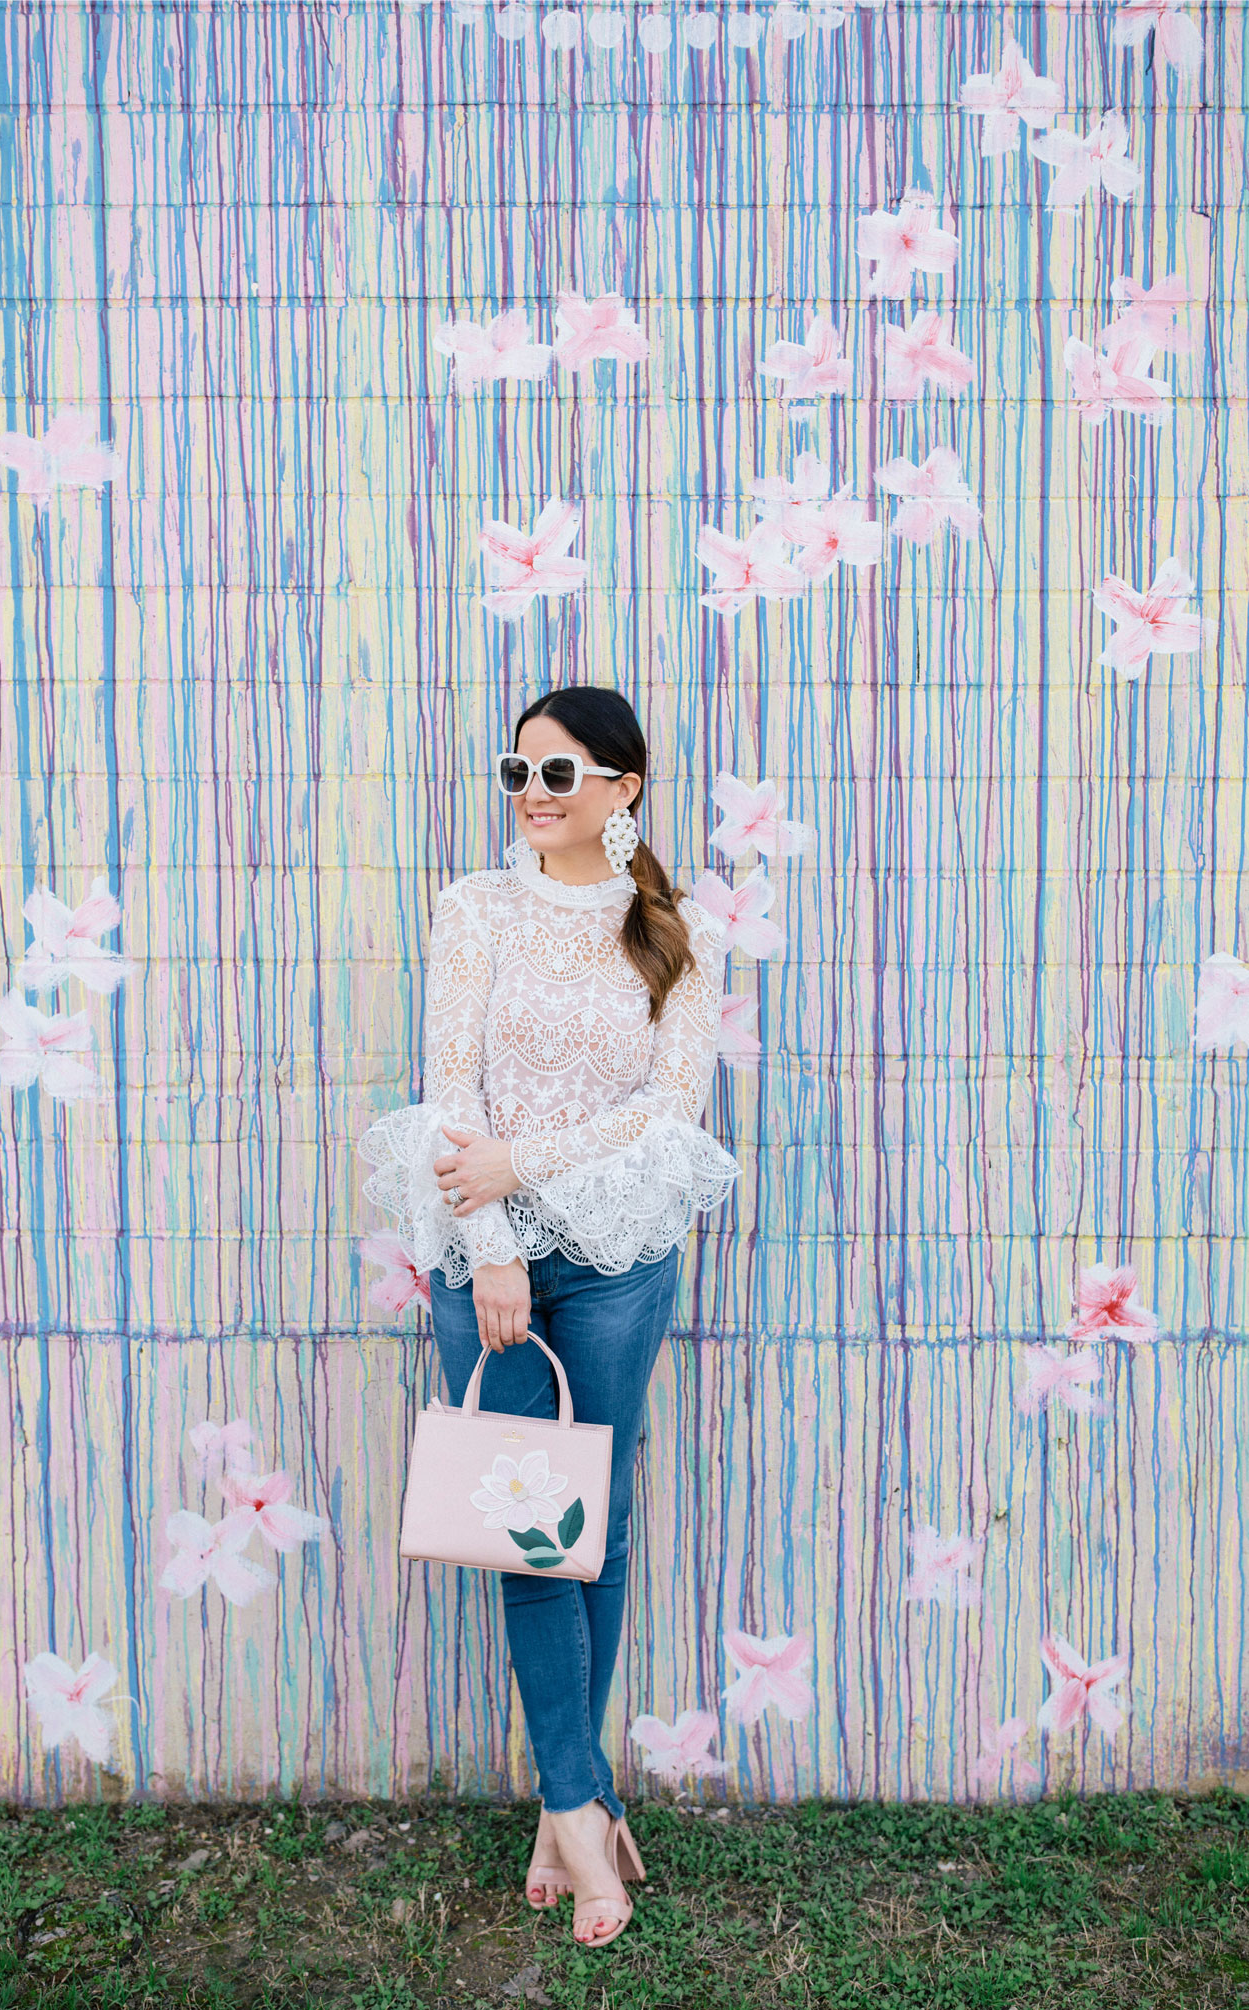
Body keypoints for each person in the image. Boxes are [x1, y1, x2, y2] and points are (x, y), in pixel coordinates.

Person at [358, 683, 739, 1947]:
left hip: (623, 1257)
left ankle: (558, 1808)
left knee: (598, 1518)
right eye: (517, 770)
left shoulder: (669, 933)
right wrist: (490, 1239)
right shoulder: (475, 909)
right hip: (494, 1261)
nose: (531, 793)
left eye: (560, 774)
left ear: (622, 790)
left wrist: (528, 1167)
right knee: (527, 1525)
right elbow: (450, 1081)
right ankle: (580, 1807)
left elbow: (665, 1105)